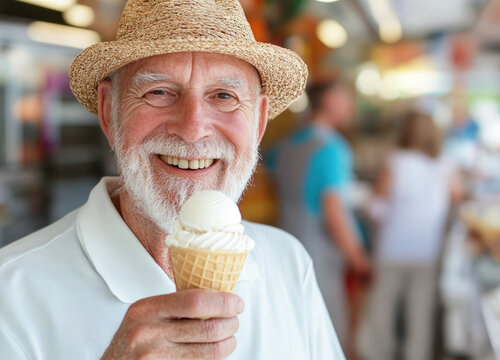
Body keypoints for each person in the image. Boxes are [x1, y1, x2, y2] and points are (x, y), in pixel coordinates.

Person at [0, 0, 345, 359]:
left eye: (224, 96)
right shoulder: (10, 296)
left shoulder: (288, 263)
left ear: (258, 123)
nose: (193, 129)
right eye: (159, 92)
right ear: (108, 112)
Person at [265, 80, 371, 349]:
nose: (351, 106)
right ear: (330, 100)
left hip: (283, 246)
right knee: (327, 336)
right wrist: (358, 258)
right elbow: (334, 213)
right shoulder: (332, 148)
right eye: (346, 98)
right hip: (320, 255)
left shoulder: (285, 145)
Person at [358, 111, 464, 360]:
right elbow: (457, 195)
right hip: (427, 248)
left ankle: (376, 354)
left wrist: (368, 205)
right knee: (420, 312)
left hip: (392, 247)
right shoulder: (444, 163)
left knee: (382, 306)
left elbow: (377, 208)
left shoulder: (395, 161)